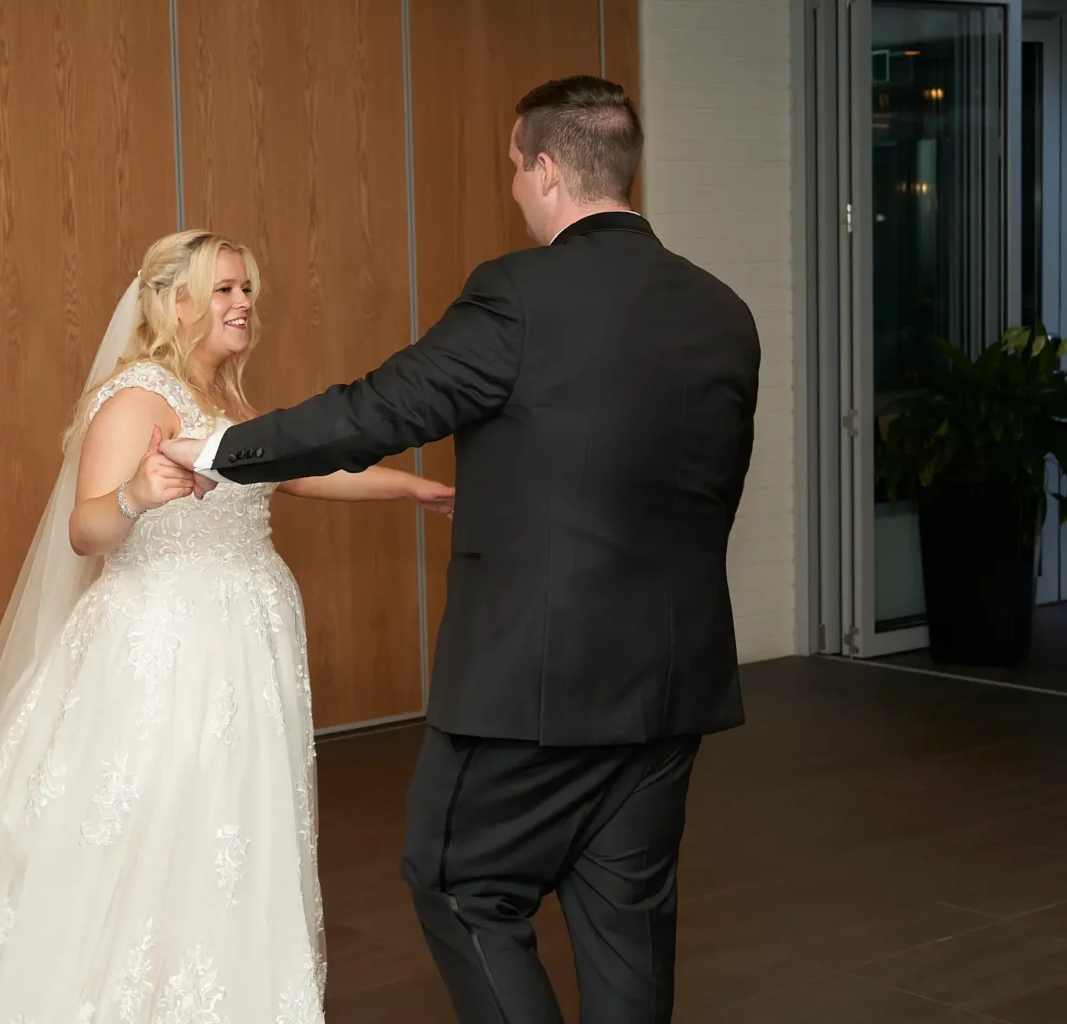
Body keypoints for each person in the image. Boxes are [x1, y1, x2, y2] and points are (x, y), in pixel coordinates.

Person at [161, 76, 762, 1023]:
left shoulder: (518, 294)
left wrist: (223, 448)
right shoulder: (723, 311)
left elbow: (379, 409)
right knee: (627, 921)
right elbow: (711, 493)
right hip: (670, 679)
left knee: (459, 884)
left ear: (548, 168)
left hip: (532, 684)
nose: (514, 188)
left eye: (515, 169)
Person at [0, 229, 453, 1023]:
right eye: (224, 289)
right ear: (175, 302)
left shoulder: (225, 398)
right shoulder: (137, 396)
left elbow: (293, 471)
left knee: (225, 827)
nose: (244, 303)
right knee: (155, 825)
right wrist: (135, 497)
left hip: (241, 641)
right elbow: (86, 528)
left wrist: (404, 488)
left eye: (248, 288)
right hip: (171, 646)